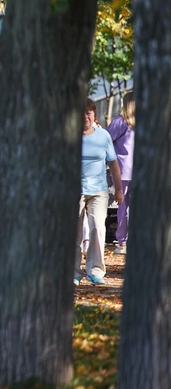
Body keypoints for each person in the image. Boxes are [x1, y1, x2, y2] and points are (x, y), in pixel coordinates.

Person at [76, 97, 124, 286]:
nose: (85, 116)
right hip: (75, 190)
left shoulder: (103, 136)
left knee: (97, 228)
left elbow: (113, 163)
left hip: (98, 191)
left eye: (88, 112)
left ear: (94, 115)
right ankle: (73, 272)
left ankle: (95, 271)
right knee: (75, 232)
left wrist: (118, 190)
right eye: (82, 112)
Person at [106, 92, 134, 255]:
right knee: (128, 207)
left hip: (122, 170)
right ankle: (126, 240)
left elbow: (106, 140)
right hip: (130, 171)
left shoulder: (119, 121)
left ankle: (123, 241)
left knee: (122, 206)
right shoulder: (139, 123)